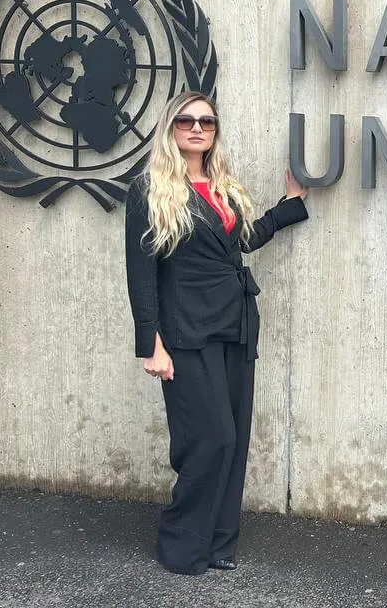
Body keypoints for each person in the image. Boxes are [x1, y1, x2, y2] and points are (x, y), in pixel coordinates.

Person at [124, 90, 309, 575]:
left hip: (236, 324)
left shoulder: (223, 186)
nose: (197, 128)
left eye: (206, 122)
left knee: (236, 438)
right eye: (186, 120)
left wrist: (289, 205)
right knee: (211, 440)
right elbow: (141, 274)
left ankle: (220, 543)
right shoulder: (149, 189)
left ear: (214, 131)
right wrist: (151, 344)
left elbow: (242, 242)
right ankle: (181, 544)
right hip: (186, 333)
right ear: (171, 128)